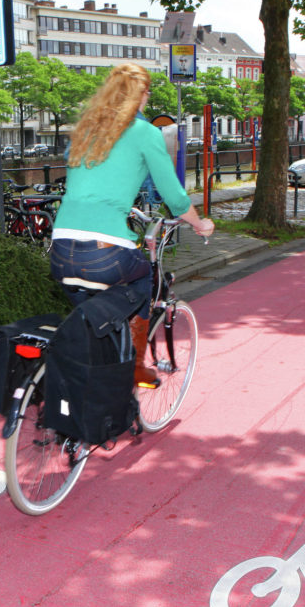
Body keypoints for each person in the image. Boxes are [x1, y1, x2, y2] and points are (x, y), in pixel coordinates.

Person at [49, 63, 214, 386]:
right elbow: (175, 198)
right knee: (144, 280)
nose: (148, 98)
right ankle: (136, 367)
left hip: (61, 248)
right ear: (139, 95)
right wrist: (200, 224)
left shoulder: (84, 130)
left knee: (97, 320)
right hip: (104, 250)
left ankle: (97, 379)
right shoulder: (144, 132)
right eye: (147, 91)